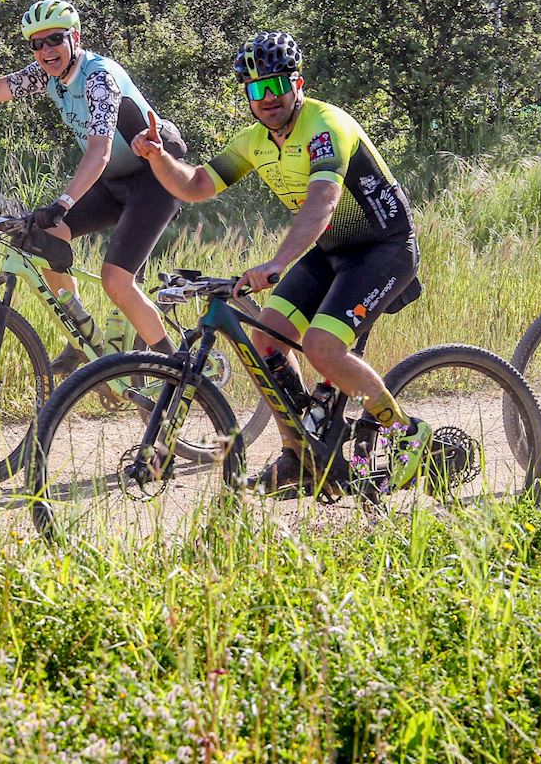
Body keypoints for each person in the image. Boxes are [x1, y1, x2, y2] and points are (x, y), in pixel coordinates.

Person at [131, 31, 430, 495]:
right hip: (331, 252)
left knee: (322, 348)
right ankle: (301, 453)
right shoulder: (254, 141)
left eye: (276, 86)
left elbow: (323, 201)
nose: (267, 98)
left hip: (383, 248)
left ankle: (407, 432)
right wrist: (157, 157)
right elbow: (194, 186)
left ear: (298, 84)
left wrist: (276, 263)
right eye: (256, 89)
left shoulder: (325, 125)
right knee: (266, 341)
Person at [0, 0, 188, 369]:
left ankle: (178, 370)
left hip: (152, 181)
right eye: (38, 43)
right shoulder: (47, 74)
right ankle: (84, 338)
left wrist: (62, 202)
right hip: (112, 182)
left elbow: (99, 151)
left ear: (74, 38)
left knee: (116, 281)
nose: (46, 51)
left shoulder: (98, 76)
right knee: (46, 241)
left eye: (55, 40)